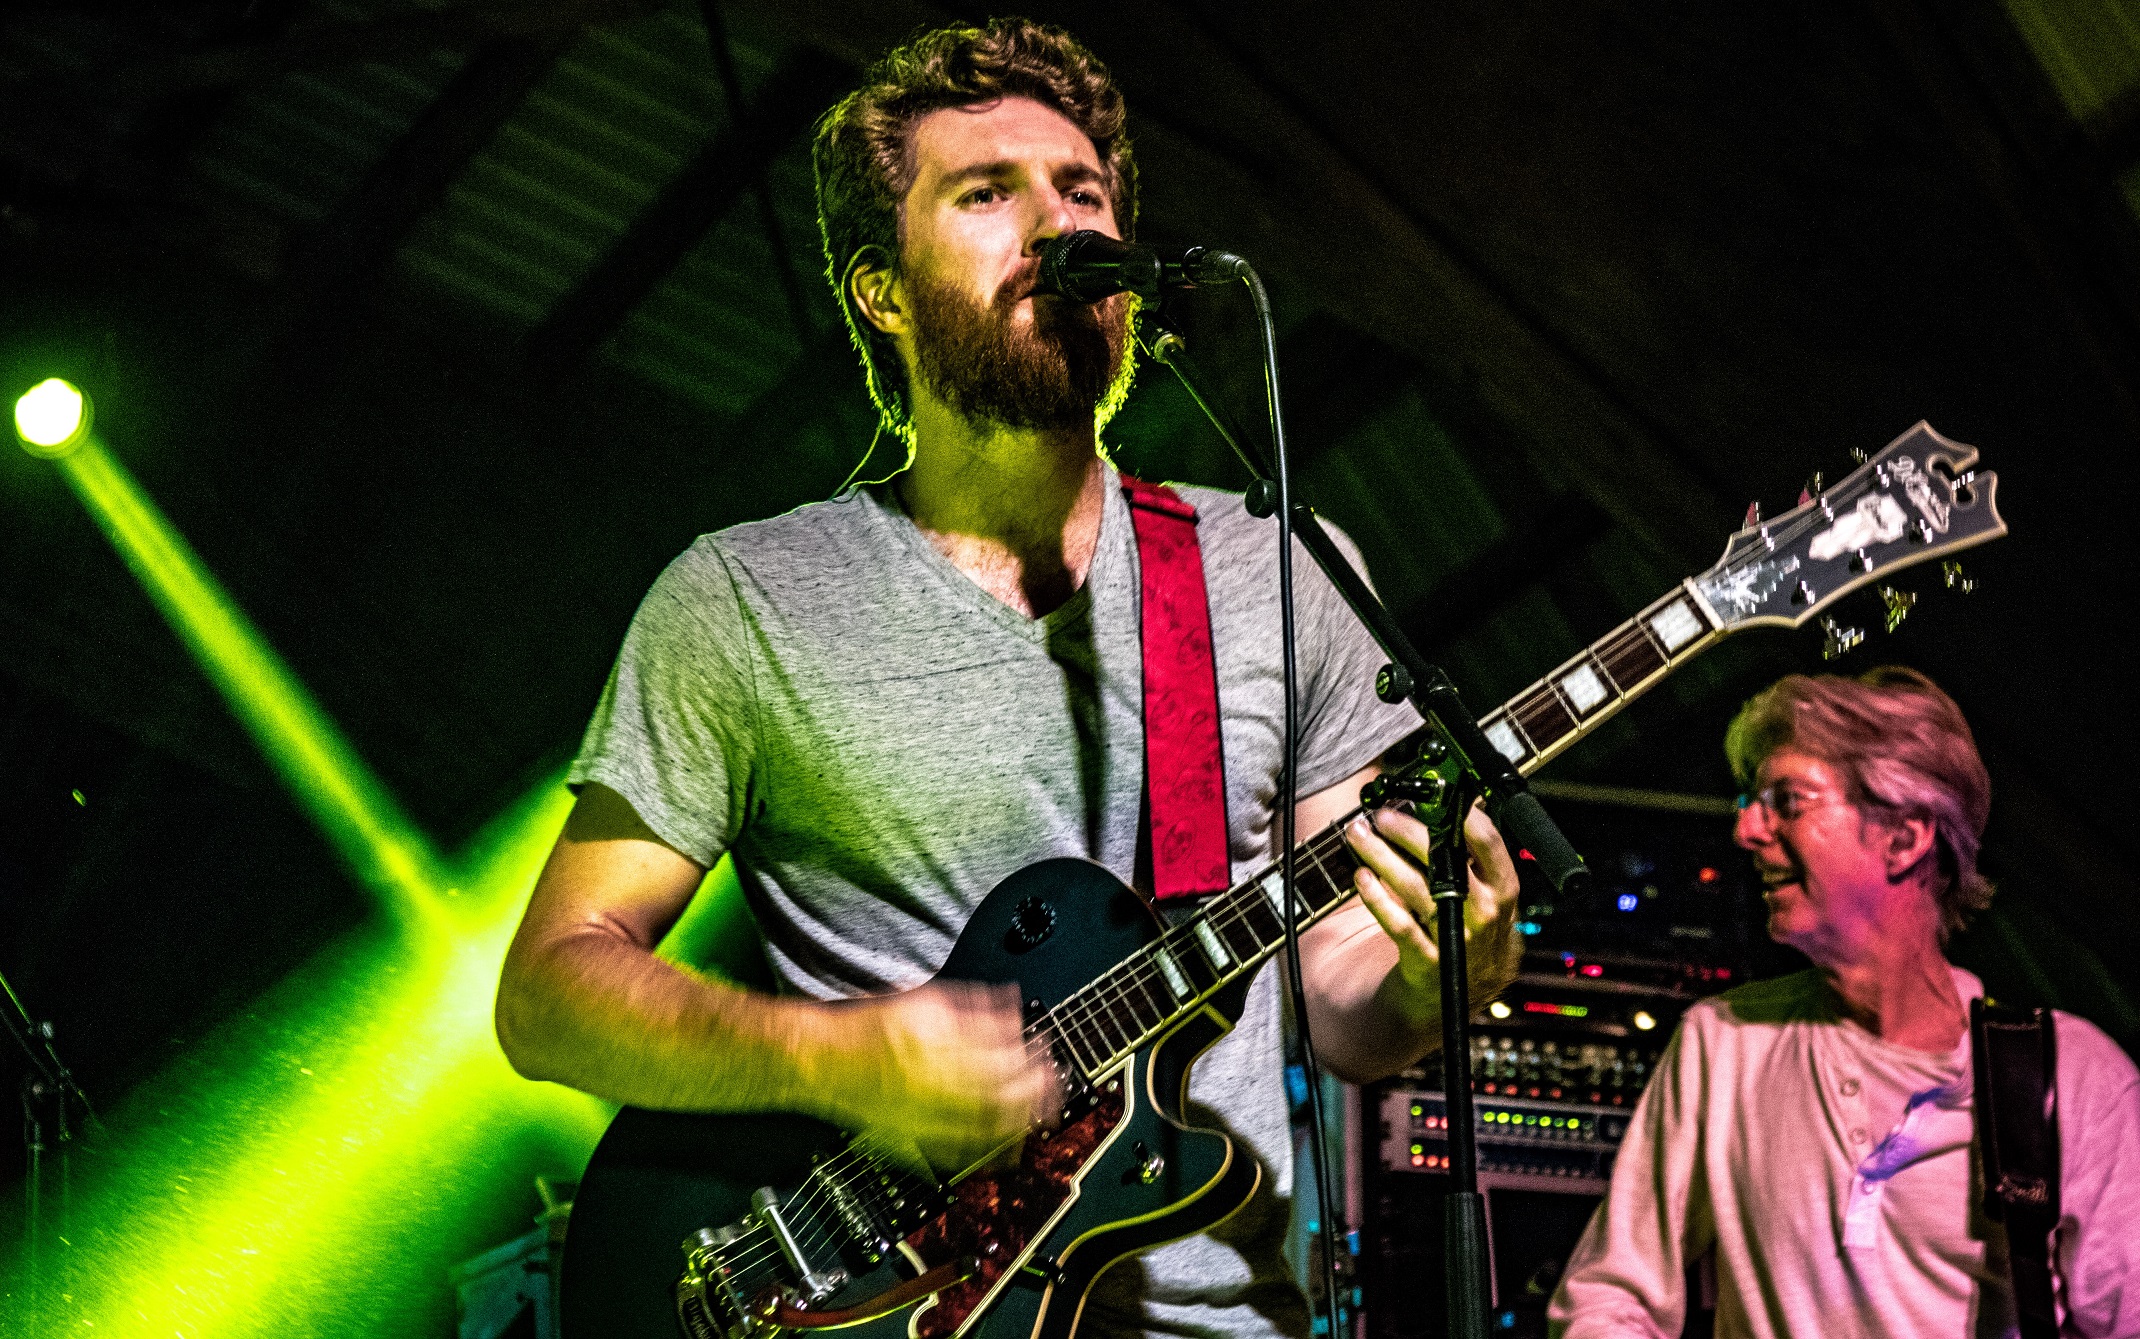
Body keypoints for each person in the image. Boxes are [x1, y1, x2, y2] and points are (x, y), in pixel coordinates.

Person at [494, 18, 1522, 1339]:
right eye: (990, 194)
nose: (1056, 223)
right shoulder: (745, 597)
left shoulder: (1282, 567)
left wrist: (1434, 977)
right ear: (880, 286)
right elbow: (553, 989)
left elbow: (1337, 1002)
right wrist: (842, 1053)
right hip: (875, 1299)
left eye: (1082, 194)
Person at [1548, 667, 2140, 1337]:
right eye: (1750, 799)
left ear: (1905, 836)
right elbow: (1608, 1298)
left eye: (1786, 800)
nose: (1745, 827)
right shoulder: (1723, 1041)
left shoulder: (2075, 1075)